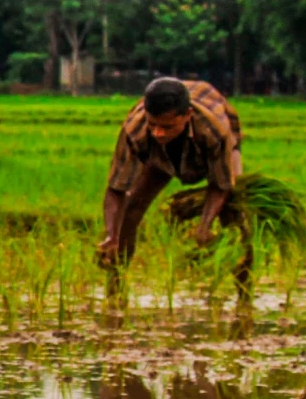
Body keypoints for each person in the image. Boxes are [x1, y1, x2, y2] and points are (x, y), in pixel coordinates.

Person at [97, 75, 241, 264]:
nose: (158, 133)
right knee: (130, 210)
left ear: (188, 115)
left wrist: (204, 227)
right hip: (160, 157)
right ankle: (115, 287)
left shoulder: (214, 131)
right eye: (153, 125)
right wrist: (111, 235)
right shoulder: (136, 129)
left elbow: (221, 184)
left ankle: (244, 288)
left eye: (167, 126)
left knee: (235, 214)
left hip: (206, 152)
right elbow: (116, 188)